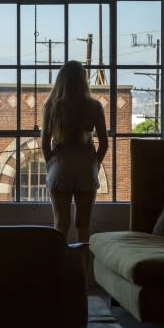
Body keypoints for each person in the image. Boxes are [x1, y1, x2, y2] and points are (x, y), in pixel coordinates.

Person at [41, 60, 108, 242]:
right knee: (83, 225)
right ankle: (83, 268)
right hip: (86, 166)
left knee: (60, 224)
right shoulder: (94, 106)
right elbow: (104, 143)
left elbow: (45, 144)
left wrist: (52, 164)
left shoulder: (51, 106)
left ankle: (59, 267)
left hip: (60, 165)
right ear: (83, 80)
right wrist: (95, 163)